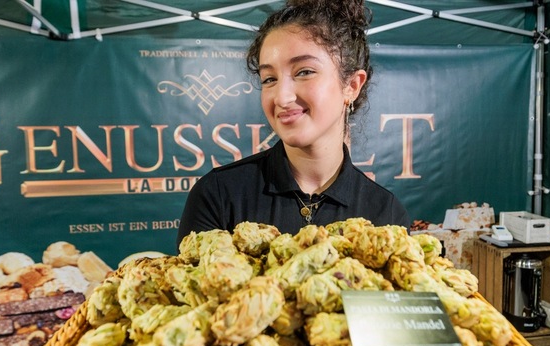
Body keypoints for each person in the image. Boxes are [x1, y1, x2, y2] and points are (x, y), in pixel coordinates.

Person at [176, 0, 410, 247]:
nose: (282, 97)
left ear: (351, 86)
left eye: (304, 72)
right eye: (269, 79)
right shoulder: (219, 194)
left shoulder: (386, 215)